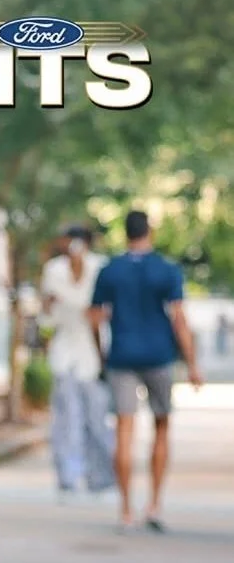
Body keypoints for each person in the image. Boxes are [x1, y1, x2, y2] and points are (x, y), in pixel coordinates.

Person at [89, 209, 204, 531]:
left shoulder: (110, 270)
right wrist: (193, 364)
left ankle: (126, 510)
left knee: (124, 431)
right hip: (159, 356)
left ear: (125, 232)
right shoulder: (166, 269)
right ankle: (154, 505)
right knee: (162, 427)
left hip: (121, 356)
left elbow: (96, 317)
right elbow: (179, 319)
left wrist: (100, 355)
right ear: (149, 231)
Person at [40, 224, 114, 494]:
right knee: (66, 417)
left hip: (93, 351)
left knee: (96, 417)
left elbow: (103, 312)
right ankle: (68, 476)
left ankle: (101, 476)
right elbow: (48, 315)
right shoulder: (54, 270)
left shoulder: (99, 268)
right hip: (65, 350)